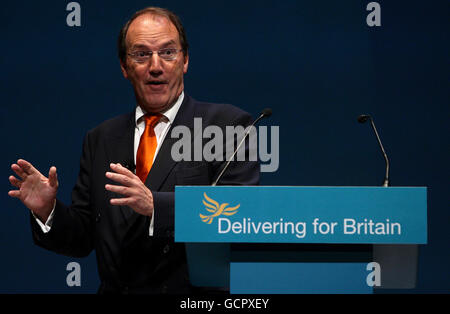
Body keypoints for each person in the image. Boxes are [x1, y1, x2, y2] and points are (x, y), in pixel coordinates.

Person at [8, 7, 259, 294]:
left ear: (185, 60)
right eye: (141, 54)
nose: (155, 66)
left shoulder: (226, 125)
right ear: (124, 67)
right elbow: (82, 238)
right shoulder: (101, 138)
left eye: (168, 52)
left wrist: (156, 206)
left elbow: (239, 212)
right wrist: (47, 211)